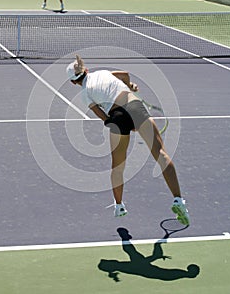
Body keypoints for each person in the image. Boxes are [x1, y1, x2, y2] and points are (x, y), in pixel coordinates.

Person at [66, 55, 190, 225]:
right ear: (86, 70)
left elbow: (104, 117)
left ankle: (119, 206)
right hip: (134, 106)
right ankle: (178, 200)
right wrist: (130, 86)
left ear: (74, 82)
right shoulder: (103, 72)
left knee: (117, 167)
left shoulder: (85, 95)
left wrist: (122, 122)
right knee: (160, 153)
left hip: (116, 117)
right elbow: (124, 74)